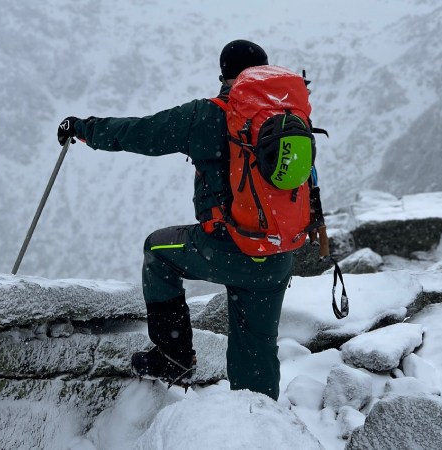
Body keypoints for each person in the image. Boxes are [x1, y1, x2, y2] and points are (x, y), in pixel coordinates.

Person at [57, 40, 299, 400]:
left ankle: (173, 356)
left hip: (229, 249)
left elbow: (139, 133)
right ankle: (262, 423)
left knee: (158, 251)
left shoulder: (206, 115)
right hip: (277, 256)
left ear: (223, 75)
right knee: (258, 349)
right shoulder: (289, 119)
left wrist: (83, 128)